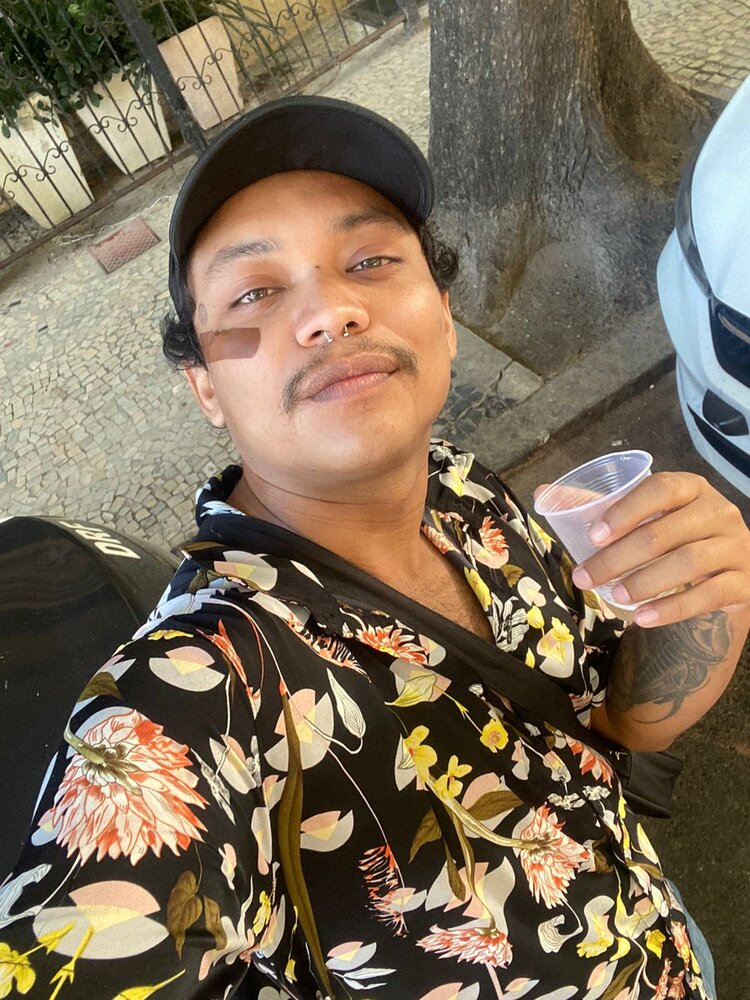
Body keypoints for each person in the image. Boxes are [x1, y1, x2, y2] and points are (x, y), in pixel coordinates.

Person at [1, 96, 748, 1000]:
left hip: (669, 946)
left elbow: (621, 725)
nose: (332, 310)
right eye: (255, 294)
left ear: (443, 314)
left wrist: (700, 603)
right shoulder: (197, 691)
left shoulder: (460, 487)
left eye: (370, 262)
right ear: (207, 389)